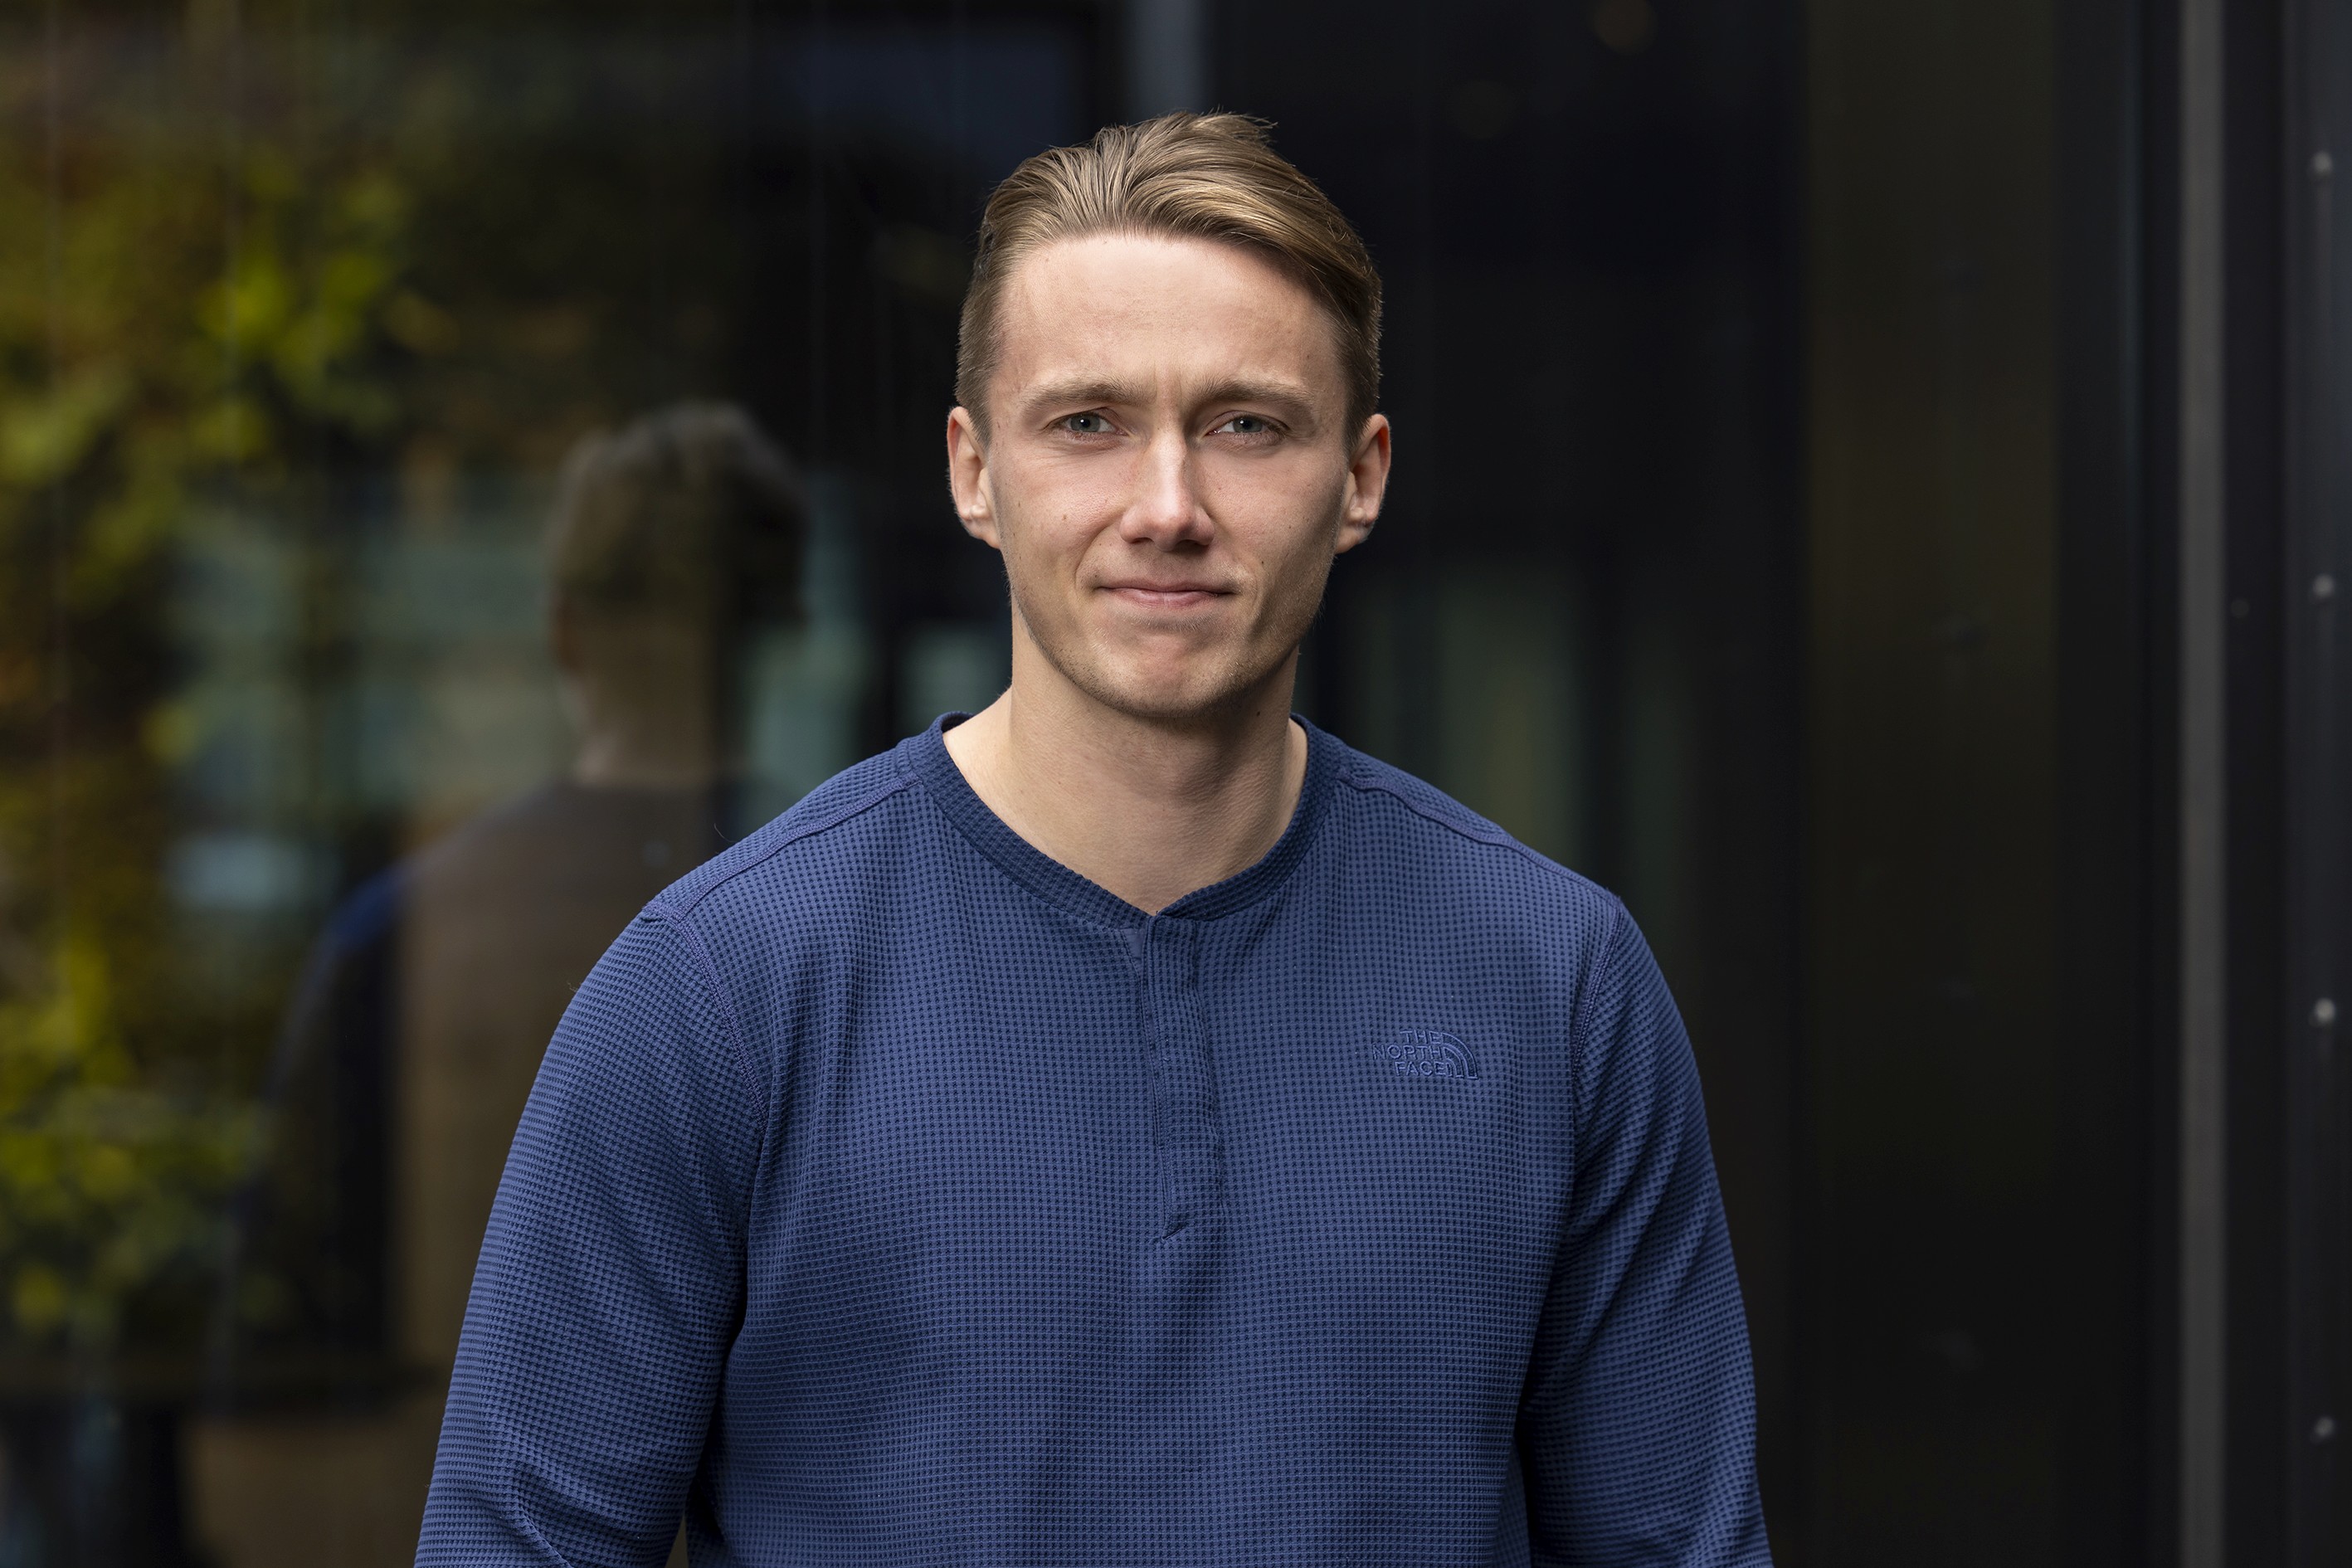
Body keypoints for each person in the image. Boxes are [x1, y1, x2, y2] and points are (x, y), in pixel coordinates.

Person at [418, 113, 1768, 1566]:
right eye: (1089, 423)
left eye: (1247, 425)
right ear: (974, 470)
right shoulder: (718, 993)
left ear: (1361, 476)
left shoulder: (1557, 983)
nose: (1167, 507)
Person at [197, 405, 801, 1568]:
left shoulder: (408, 935)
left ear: (562, 629)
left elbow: (272, 1345)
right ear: (781, 621)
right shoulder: (874, 934)